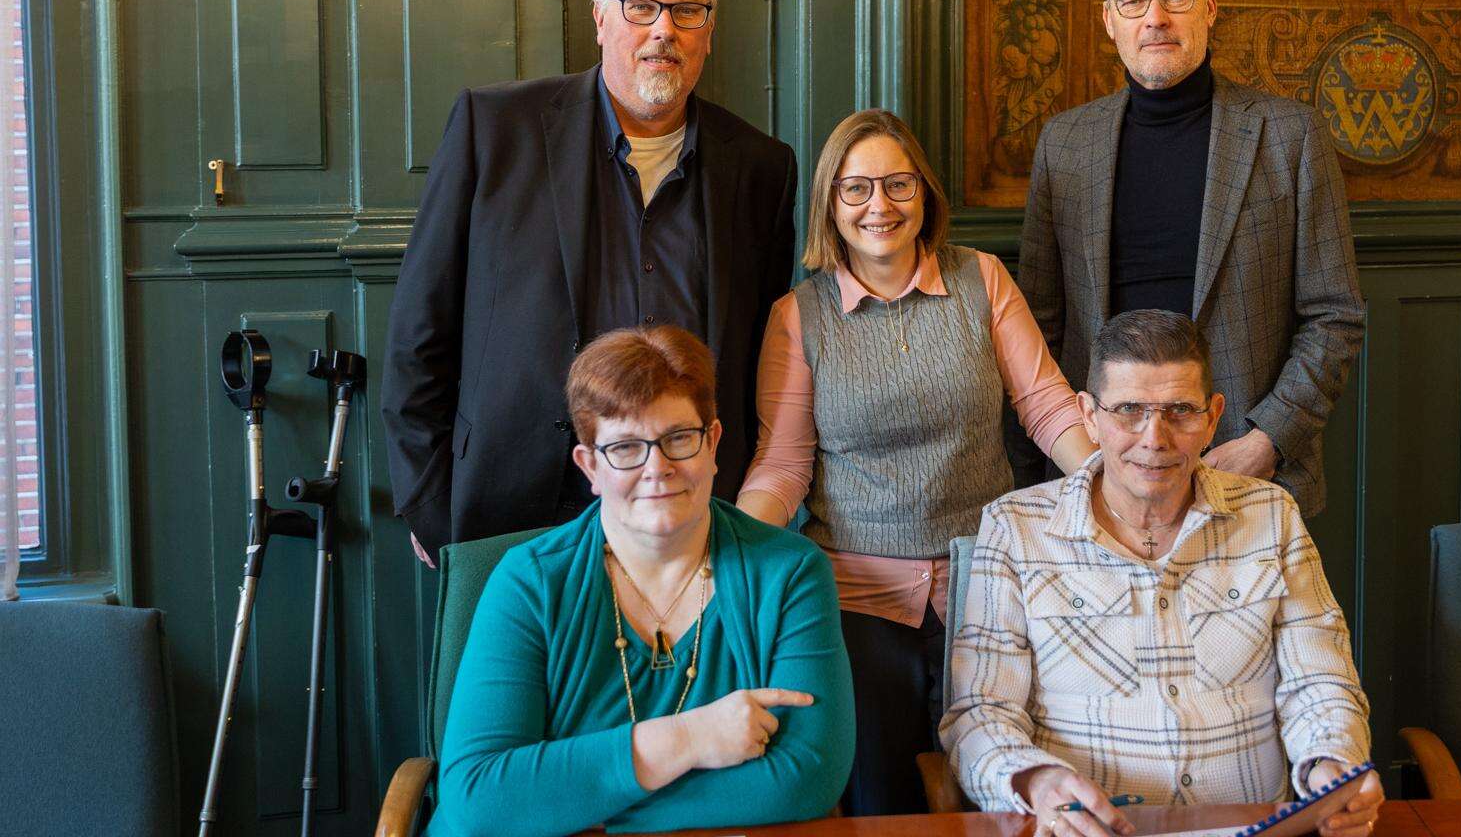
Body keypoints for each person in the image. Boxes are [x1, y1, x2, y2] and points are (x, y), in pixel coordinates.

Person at [384, 0, 798, 562]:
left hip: (688, 515)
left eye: (687, 11)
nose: (664, 29)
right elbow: (420, 327)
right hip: (509, 510)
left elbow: (759, 362)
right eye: (641, 7)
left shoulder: (762, 169)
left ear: (709, 30)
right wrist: (429, 499)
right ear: (601, 18)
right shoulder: (494, 131)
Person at [735, 109, 1097, 814]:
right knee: (882, 806)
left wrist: (1115, 491)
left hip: (988, 587)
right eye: (857, 188)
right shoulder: (798, 315)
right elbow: (783, 464)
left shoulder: (982, 278)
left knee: (999, 801)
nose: (880, 205)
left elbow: (1048, 407)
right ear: (831, 203)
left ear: (925, 192)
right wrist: (737, 548)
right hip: (856, 601)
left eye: (898, 184)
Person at [942, 310, 1382, 837]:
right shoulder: (1015, 528)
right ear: (1088, 415)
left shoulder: (1272, 514)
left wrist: (1331, 763)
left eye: (1180, 411)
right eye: (1129, 410)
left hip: (1253, 827)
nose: (1155, 438)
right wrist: (1036, 781)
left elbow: (1320, 681)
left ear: (1213, 418)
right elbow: (981, 712)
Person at [431, 326, 853, 837]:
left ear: (713, 443)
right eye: (626, 447)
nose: (658, 468)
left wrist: (573, 805)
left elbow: (808, 776)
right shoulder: (528, 581)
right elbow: (478, 798)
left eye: (679, 438)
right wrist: (689, 739)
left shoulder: (791, 573)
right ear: (590, 465)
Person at [1016, 0, 1365, 519]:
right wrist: (1073, 452)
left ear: (1210, 7)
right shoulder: (1065, 144)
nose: (1155, 18)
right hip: (1098, 471)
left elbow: (1335, 316)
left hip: (1245, 471)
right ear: (1109, 20)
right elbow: (1038, 328)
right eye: (1133, 0)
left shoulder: (1290, 136)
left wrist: (1267, 440)